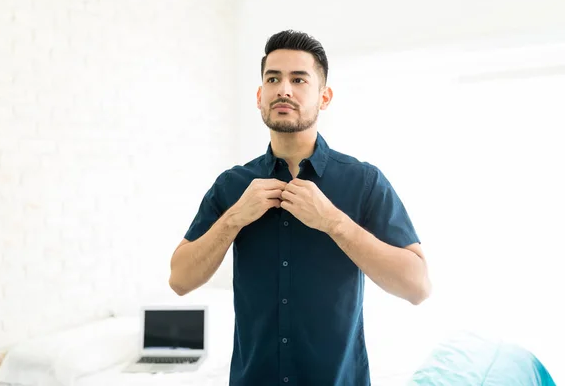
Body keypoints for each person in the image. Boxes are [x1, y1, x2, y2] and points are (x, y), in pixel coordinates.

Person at [169, 29, 431, 386]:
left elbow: (417, 286)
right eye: (273, 78)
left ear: (324, 97)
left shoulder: (364, 182)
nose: (284, 89)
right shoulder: (232, 186)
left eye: (298, 79)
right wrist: (234, 219)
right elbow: (180, 280)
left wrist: (333, 222)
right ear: (260, 96)